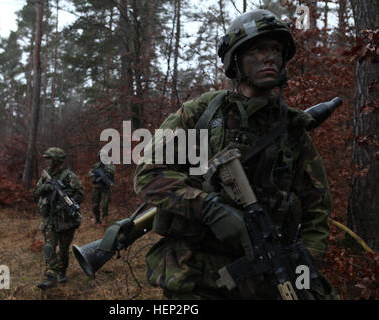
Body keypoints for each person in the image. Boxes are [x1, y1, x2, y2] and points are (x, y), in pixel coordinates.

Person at [134, 9, 337, 299]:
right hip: (198, 276)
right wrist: (210, 208)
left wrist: (305, 266)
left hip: (270, 279)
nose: (270, 57)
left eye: (276, 50)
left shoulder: (292, 131)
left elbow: (317, 211)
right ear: (236, 60)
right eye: (258, 49)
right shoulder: (201, 113)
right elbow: (148, 175)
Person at [34, 147, 84, 289]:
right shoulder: (45, 176)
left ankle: (62, 271)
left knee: (63, 250)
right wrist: (46, 188)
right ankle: (51, 276)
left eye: (50, 158)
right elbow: (35, 193)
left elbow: (80, 194)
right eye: (47, 159)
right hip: (49, 219)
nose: (48, 161)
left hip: (66, 220)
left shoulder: (69, 176)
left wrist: (67, 201)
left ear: (57, 160)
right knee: (49, 247)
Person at [89, 151, 115, 225]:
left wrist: (104, 174)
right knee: (95, 205)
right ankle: (97, 219)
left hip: (105, 188)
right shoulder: (96, 165)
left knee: (105, 204)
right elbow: (90, 173)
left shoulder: (109, 165)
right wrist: (94, 177)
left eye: (104, 156)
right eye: (101, 156)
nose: (102, 158)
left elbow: (111, 172)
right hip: (96, 187)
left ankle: (104, 219)